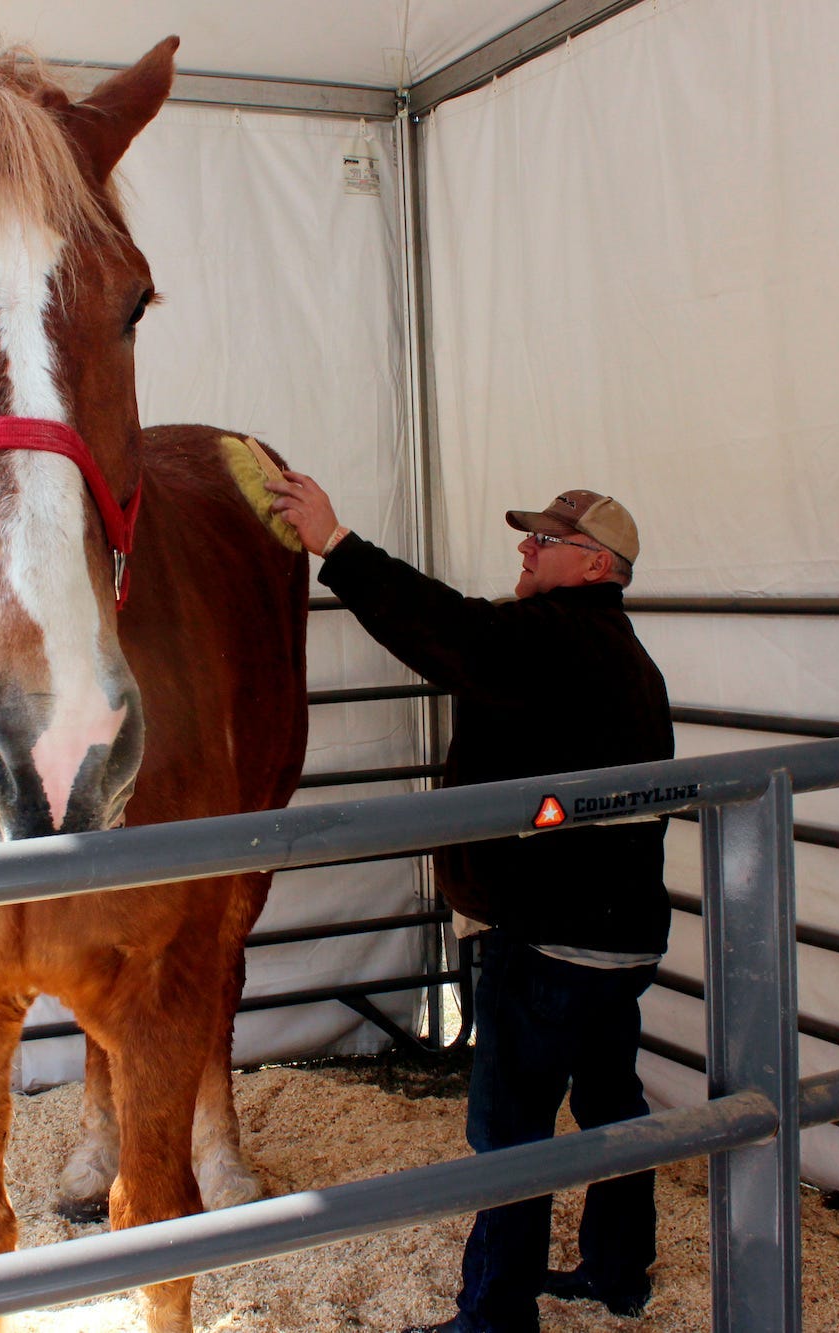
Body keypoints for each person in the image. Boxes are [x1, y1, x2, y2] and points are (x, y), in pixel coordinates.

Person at [267, 474, 673, 1333]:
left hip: (551, 937)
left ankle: (494, 1317)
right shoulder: (625, 654)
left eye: (544, 542)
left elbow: (449, 631)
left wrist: (338, 548)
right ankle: (617, 1270)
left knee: (509, 1129)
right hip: (622, 932)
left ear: (596, 563)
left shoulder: (555, 639)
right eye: (528, 536)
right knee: (611, 1102)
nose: (525, 549)